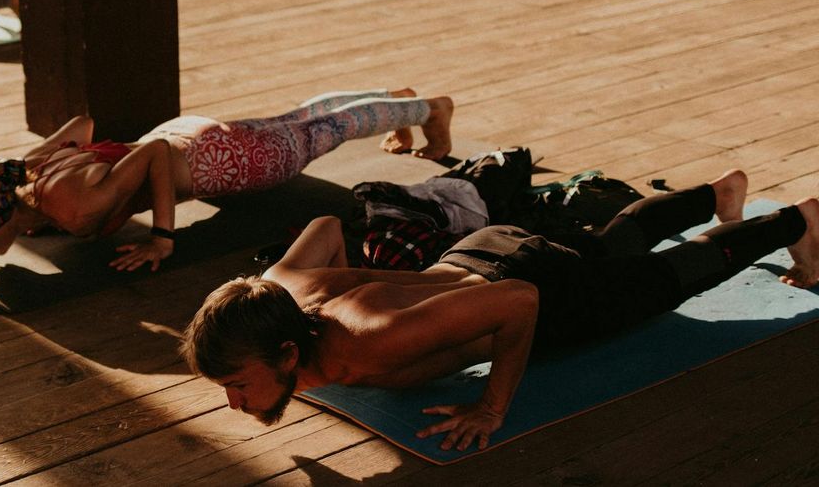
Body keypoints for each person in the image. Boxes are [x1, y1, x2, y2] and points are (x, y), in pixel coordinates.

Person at [182, 169, 819, 451]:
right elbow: (324, 224)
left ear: (288, 353)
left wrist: (490, 407)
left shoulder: (372, 338)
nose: (235, 402)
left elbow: (521, 303)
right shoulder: (277, 292)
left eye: (238, 385)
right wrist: (388, 279)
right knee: (606, 246)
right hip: (480, 250)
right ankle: (716, 193)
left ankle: (798, 220)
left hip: (531, 283)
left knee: (662, 280)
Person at [0, 89, 455, 271]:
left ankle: (429, 108)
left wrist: (163, 237)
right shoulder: (30, 170)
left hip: (218, 164)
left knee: (323, 133)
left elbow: (154, 156)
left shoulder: (71, 207)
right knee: (300, 121)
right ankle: (397, 98)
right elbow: (84, 127)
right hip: (189, 135)